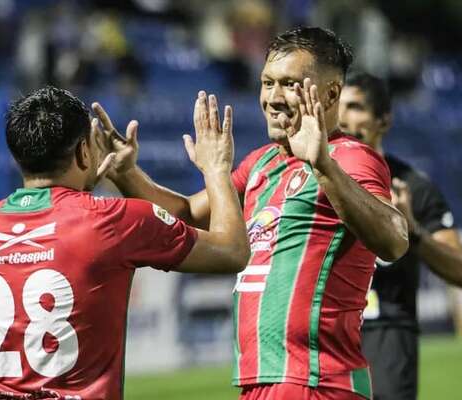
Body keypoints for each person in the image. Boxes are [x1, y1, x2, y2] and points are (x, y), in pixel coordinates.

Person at [99, 27, 408, 400]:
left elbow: (394, 239)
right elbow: (186, 216)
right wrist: (126, 173)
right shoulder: (262, 163)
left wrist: (323, 166)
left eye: (290, 84)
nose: (273, 98)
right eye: (267, 82)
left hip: (314, 381)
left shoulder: (350, 157)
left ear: (330, 94)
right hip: (263, 379)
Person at [0, 86, 250, 400]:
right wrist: (217, 169)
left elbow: (55, 219)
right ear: (85, 151)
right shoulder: (112, 220)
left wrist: (99, 177)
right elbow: (231, 252)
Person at [338, 72, 462, 400]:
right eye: (338, 106)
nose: (343, 119)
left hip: (385, 336)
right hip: (325, 333)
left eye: (355, 107)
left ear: (384, 120)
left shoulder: (412, 187)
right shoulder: (314, 179)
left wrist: (412, 231)